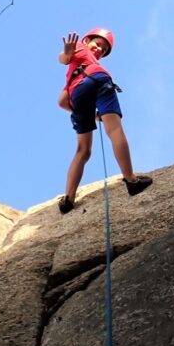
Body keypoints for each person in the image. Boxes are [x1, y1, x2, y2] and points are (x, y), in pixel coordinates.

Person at [57, 27, 152, 214]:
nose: (99, 50)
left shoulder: (72, 73)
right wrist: (66, 54)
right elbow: (64, 57)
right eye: (98, 44)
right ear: (86, 41)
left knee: (83, 150)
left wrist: (91, 115)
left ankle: (68, 199)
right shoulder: (79, 47)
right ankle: (131, 180)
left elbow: (62, 102)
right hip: (98, 80)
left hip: (78, 94)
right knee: (114, 130)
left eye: (104, 50)